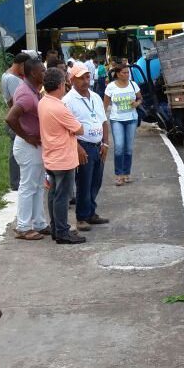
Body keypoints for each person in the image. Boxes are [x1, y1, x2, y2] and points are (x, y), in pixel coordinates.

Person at [38, 67, 85, 244]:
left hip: (51, 156)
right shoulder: (59, 108)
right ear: (59, 85)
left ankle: (56, 229)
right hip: (63, 158)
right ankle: (63, 232)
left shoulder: (43, 102)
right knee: (62, 197)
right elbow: (79, 129)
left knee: (53, 193)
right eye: (64, 83)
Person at [63, 62, 110, 231]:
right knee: (84, 181)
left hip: (98, 145)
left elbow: (104, 121)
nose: (85, 80)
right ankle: (82, 217)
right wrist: (77, 147)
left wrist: (105, 143)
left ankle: (91, 212)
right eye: (80, 78)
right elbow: (66, 129)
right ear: (72, 80)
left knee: (96, 181)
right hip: (83, 145)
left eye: (87, 76)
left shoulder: (96, 96)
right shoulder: (68, 101)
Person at [5, 58, 49, 241]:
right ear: (33, 73)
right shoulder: (25, 94)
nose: (45, 74)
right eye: (42, 71)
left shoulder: (31, 90)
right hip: (28, 145)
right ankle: (23, 227)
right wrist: (26, 135)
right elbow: (10, 117)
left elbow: (11, 105)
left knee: (38, 186)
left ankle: (39, 223)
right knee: (28, 186)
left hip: (34, 145)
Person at [104, 65, 143, 186]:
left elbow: (140, 98)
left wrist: (136, 103)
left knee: (129, 148)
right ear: (118, 74)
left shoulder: (133, 85)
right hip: (117, 120)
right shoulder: (111, 87)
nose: (127, 75)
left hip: (131, 119)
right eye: (125, 73)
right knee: (119, 147)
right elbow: (104, 105)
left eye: (128, 73)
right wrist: (101, 120)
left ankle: (126, 173)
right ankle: (119, 175)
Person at [1, 52, 30, 191]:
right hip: (16, 119)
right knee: (14, 152)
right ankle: (16, 182)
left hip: (14, 118)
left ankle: (17, 181)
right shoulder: (12, 79)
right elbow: (15, 102)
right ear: (22, 65)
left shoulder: (7, 74)